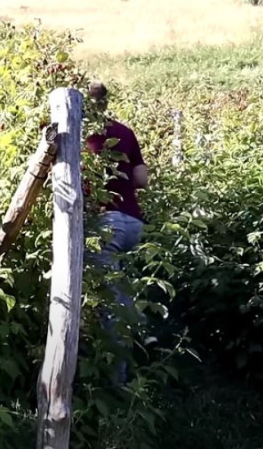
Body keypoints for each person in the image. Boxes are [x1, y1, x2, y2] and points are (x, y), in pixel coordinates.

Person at [83, 81, 149, 384]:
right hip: (133, 223)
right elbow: (141, 179)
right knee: (125, 294)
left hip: (103, 224)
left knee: (110, 304)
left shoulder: (81, 137)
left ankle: (116, 382)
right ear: (106, 103)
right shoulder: (124, 131)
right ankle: (145, 347)